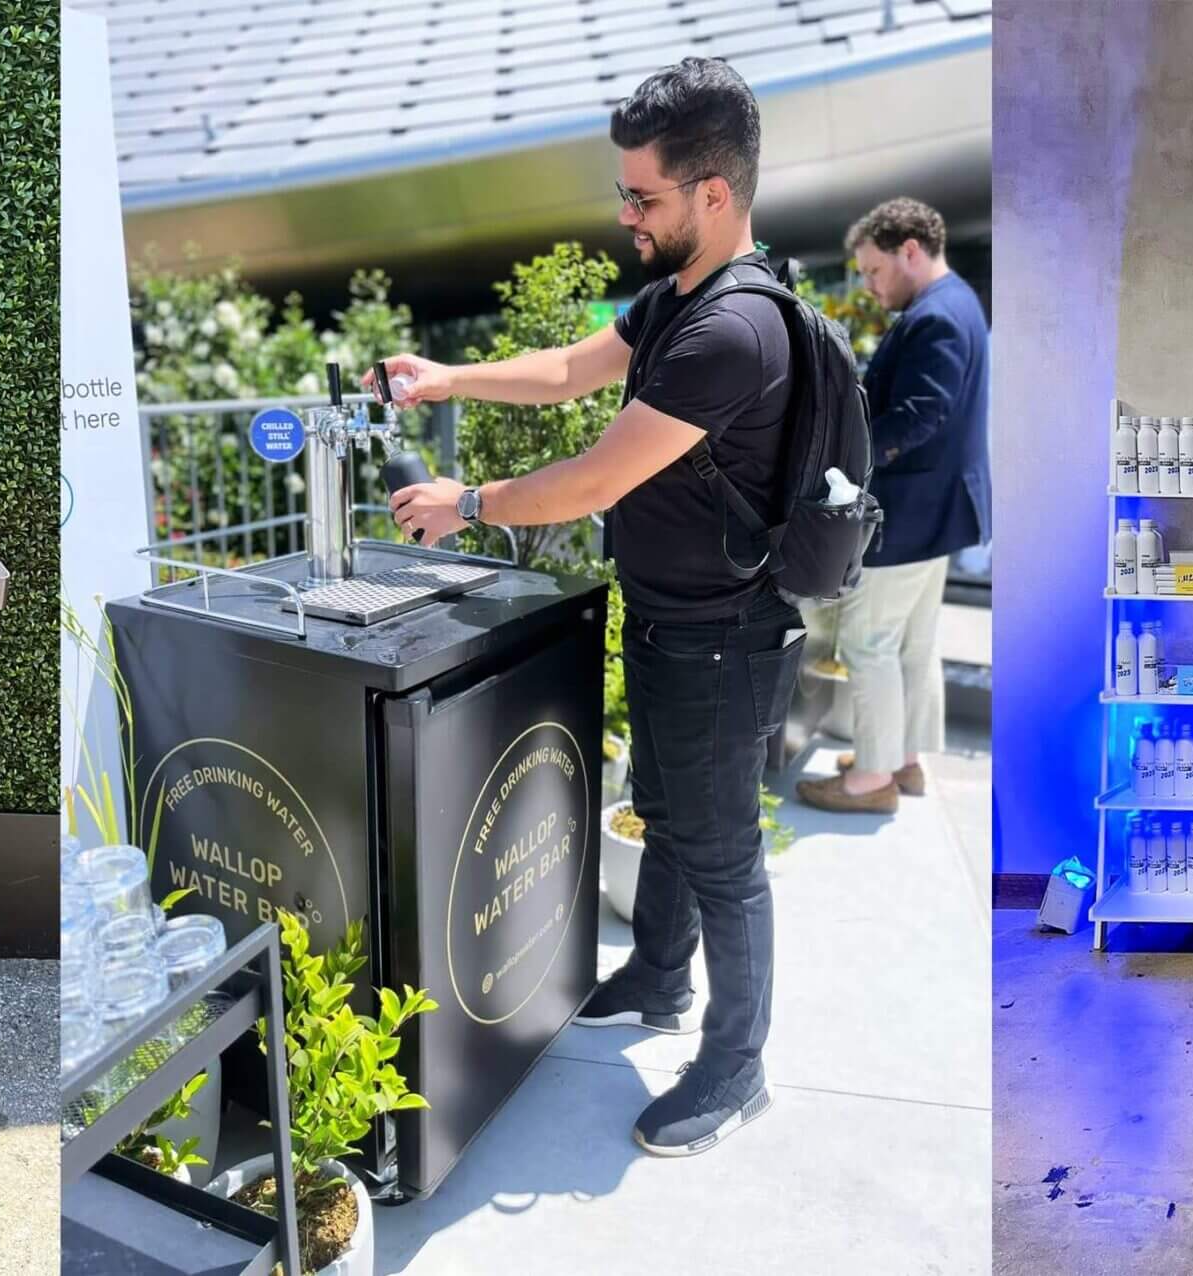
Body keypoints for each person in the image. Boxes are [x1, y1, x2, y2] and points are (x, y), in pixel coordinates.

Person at [374, 57, 802, 1158]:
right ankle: (657, 978)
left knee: (721, 856)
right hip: (667, 619)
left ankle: (735, 1061)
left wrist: (465, 501)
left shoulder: (733, 332)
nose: (626, 215)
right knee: (660, 814)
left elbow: (596, 475)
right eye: (622, 192)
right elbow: (570, 368)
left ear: (716, 193)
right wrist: (447, 378)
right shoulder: (672, 299)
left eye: (643, 197)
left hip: (725, 641)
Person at [793, 198, 990, 815]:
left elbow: (921, 413)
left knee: (869, 643)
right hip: (936, 511)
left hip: (909, 512)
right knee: (911, 642)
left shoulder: (936, 317)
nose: (872, 287)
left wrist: (849, 462)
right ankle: (903, 762)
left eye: (875, 271)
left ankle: (869, 781)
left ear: (910, 250)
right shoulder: (957, 304)